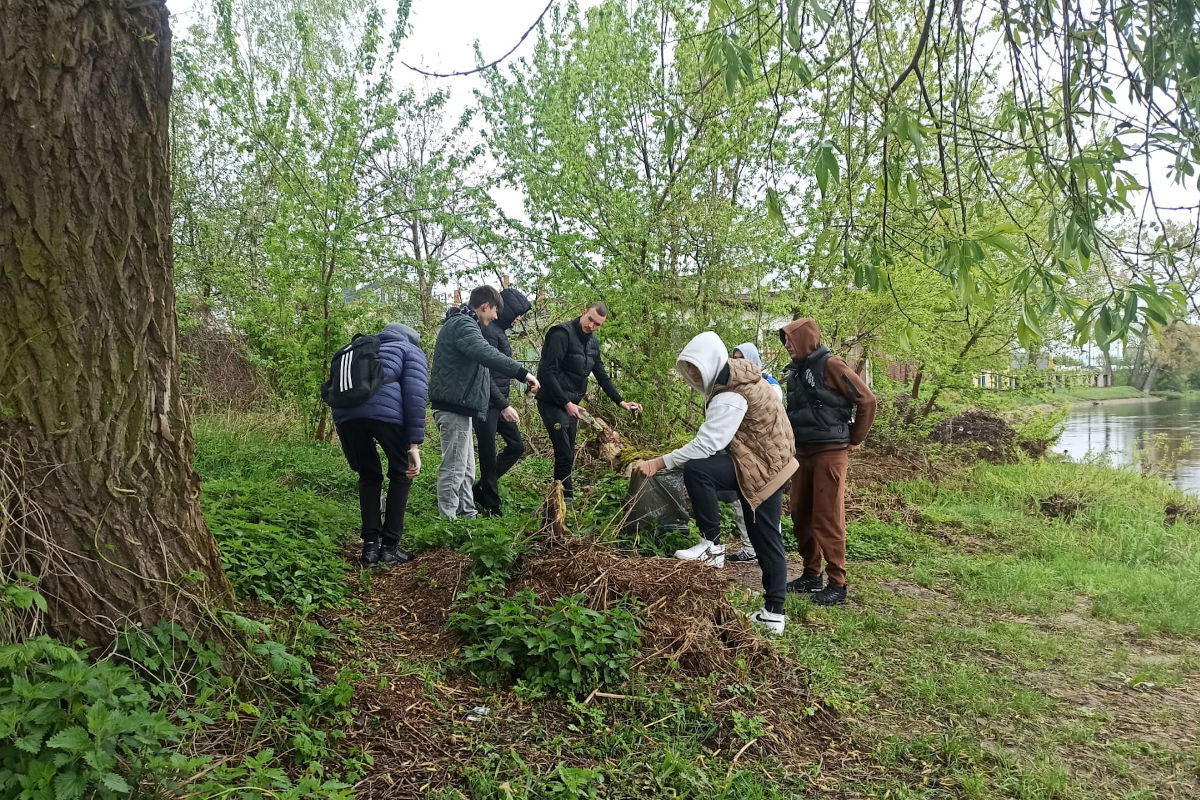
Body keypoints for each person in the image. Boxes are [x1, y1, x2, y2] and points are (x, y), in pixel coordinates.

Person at [634, 332, 797, 635]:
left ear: (710, 364)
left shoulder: (731, 394)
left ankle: (712, 546)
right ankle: (773, 614)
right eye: (689, 370)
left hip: (763, 467)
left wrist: (659, 462)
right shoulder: (736, 380)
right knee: (764, 537)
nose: (694, 376)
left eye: (696, 369)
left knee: (699, 470)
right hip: (769, 462)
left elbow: (708, 444)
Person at [779, 317, 877, 606]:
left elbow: (867, 401)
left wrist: (855, 439)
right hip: (803, 452)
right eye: (784, 340)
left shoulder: (832, 365)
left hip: (830, 451)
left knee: (826, 516)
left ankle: (838, 582)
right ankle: (811, 574)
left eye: (790, 339)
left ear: (806, 339)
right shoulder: (795, 373)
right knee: (800, 514)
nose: (786, 345)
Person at [429, 286, 541, 519]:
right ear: (485, 306)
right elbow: (486, 354)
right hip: (453, 407)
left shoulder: (467, 325)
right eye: (495, 312)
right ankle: (448, 521)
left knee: (468, 468)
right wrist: (523, 374)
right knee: (454, 468)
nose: (497, 317)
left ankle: (467, 515)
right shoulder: (463, 325)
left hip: (464, 407)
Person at [331, 323, 427, 567]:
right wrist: (413, 446)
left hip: (347, 417)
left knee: (369, 474)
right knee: (402, 472)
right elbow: (415, 396)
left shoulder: (357, 350)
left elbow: (337, 391)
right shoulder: (409, 350)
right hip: (388, 417)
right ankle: (390, 548)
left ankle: (370, 548)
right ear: (412, 339)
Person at [536, 301, 640, 505]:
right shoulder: (561, 334)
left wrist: (621, 402)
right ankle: (565, 500)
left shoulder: (593, 343)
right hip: (552, 402)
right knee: (564, 452)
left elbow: (601, 375)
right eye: (590, 319)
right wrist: (566, 403)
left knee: (567, 454)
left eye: (597, 324)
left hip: (572, 406)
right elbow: (547, 373)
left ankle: (561, 498)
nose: (591, 326)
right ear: (583, 312)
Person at [473, 287, 533, 516]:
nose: (519, 318)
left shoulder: (499, 331)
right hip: (487, 403)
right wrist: (502, 405)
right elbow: (484, 374)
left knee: (516, 445)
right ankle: (491, 504)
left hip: (499, 402)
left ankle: (481, 488)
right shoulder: (487, 331)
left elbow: (502, 368)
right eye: (518, 313)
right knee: (488, 453)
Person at [724, 341, 785, 564]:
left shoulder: (770, 385)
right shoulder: (733, 386)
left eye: (742, 359)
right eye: (735, 358)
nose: (738, 363)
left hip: (767, 456)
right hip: (742, 455)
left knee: (768, 505)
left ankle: (771, 551)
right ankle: (749, 548)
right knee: (739, 503)